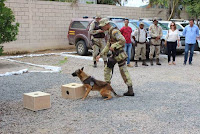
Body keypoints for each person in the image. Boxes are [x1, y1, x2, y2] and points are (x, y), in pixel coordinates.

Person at [96, 18, 134, 96]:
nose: (102, 28)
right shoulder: (110, 33)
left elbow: (123, 40)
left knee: (122, 71)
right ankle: (108, 86)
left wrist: (114, 45)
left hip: (119, 55)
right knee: (109, 69)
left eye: (103, 26)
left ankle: (130, 90)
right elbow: (107, 46)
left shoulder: (114, 31)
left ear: (107, 24)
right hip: (115, 55)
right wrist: (100, 55)